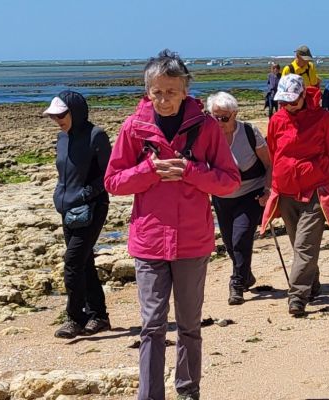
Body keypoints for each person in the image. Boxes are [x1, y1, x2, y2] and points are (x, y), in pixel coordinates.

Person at [103, 50, 239, 400]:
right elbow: (113, 182)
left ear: (184, 90)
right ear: (147, 91)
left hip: (192, 241)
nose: (164, 100)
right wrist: (148, 171)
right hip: (149, 242)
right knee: (152, 325)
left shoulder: (207, 127)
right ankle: (150, 396)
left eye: (171, 92)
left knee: (190, 325)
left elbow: (230, 181)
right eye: (157, 92)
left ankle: (188, 390)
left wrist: (190, 171)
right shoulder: (133, 128)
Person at [260, 73, 329, 316]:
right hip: (285, 193)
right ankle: (312, 283)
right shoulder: (277, 120)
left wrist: (318, 175)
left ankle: (297, 296)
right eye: (284, 101)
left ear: (302, 96)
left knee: (305, 245)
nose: (288, 105)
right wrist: (275, 183)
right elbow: (274, 152)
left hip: (315, 192)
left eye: (292, 100)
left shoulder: (324, 118)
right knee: (298, 244)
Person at [47, 91, 113, 339]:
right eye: (53, 116)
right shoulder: (61, 138)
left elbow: (108, 175)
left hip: (93, 208)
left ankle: (75, 318)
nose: (57, 119)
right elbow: (64, 175)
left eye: (61, 114)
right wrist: (59, 196)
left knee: (72, 262)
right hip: (67, 210)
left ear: (75, 111)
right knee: (84, 262)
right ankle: (99, 316)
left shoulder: (97, 135)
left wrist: (85, 195)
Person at [206, 92, 271, 306]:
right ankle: (246, 275)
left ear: (235, 114)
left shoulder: (250, 132)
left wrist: (268, 190)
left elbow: (269, 164)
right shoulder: (206, 135)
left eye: (224, 118)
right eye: (214, 116)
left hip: (250, 194)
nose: (219, 122)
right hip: (221, 197)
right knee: (229, 243)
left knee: (241, 237)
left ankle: (236, 283)